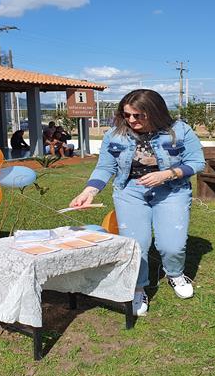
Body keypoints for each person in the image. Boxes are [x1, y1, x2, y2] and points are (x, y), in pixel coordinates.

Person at [69, 89, 205, 316]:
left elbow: (197, 162)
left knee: (171, 245)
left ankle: (175, 273)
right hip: (130, 192)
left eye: (138, 115)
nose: (131, 121)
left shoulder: (180, 130)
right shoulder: (114, 135)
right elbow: (105, 167)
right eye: (127, 115)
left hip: (171, 191)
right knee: (136, 244)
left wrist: (167, 174)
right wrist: (90, 191)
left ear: (155, 112)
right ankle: (138, 286)